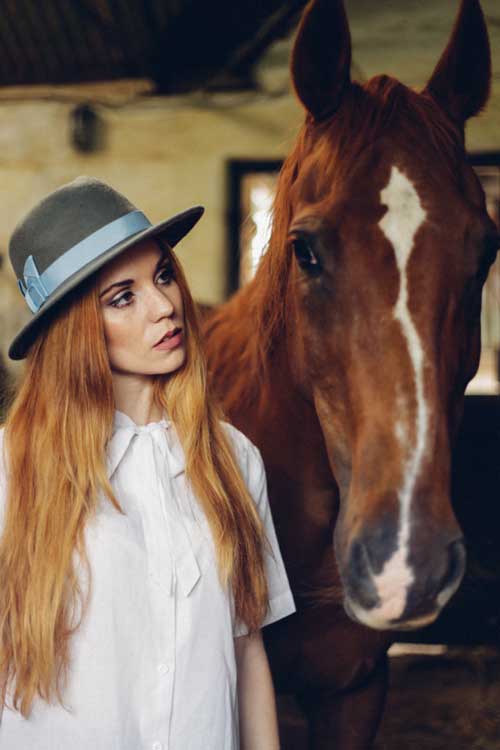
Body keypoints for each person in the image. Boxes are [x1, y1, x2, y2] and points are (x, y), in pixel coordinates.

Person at [0, 177, 295, 750]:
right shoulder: (11, 470)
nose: (166, 306)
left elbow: (247, 648)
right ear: (74, 331)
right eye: (122, 297)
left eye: (163, 275)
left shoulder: (235, 460)